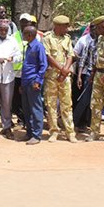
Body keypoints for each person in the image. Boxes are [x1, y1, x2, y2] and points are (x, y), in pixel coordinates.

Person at [42, 15, 76, 143]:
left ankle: (70, 132)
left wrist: (65, 70)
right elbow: (48, 56)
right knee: (51, 104)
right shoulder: (47, 38)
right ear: (58, 26)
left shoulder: (67, 38)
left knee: (67, 104)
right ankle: (54, 131)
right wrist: (61, 69)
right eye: (65, 26)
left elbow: (70, 55)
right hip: (52, 76)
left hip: (65, 76)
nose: (67, 29)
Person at [20, 25, 48, 145]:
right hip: (26, 82)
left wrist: (38, 81)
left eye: (24, 34)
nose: (23, 36)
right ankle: (29, 133)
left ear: (30, 35)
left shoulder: (38, 47)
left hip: (33, 82)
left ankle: (37, 135)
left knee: (36, 108)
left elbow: (43, 65)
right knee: (27, 109)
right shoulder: (28, 47)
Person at [73, 24, 97, 132]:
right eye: (93, 28)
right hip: (87, 73)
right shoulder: (86, 41)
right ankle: (74, 122)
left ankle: (92, 124)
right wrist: (79, 76)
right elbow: (81, 59)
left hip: (100, 75)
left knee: (96, 101)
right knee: (84, 99)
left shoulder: (102, 41)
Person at [11, 13, 32, 127]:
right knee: (16, 100)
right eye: (22, 21)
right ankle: (21, 118)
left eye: (26, 21)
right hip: (16, 74)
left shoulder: (35, 36)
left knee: (28, 99)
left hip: (29, 74)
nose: (24, 24)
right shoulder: (14, 36)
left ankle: (26, 120)